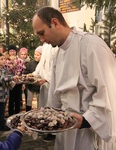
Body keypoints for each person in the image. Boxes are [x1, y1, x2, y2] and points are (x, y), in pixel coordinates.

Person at [32, 6, 116, 150]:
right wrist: (48, 114)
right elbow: (56, 90)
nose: (42, 39)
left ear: (55, 23)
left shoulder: (90, 45)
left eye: (42, 33)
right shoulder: (58, 51)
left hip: (88, 130)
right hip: (66, 126)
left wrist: (85, 120)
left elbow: (107, 90)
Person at [0, 52, 18, 131]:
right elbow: (1, 79)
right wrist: (12, 77)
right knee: (1, 109)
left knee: (2, 108)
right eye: (1, 59)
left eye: (4, 59)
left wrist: (14, 81)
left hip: (5, 93)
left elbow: (7, 79)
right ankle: (1, 126)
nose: (4, 61)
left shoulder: (4, 69)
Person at [24, 46, 42, 111]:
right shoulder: (30, 64)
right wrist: (28, 76)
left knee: (40, 102)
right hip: (30, 86)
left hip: (39, 87)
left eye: (38, 55)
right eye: (35, 54)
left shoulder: (43, 64)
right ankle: (27, 113)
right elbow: (26, 73)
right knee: (29, 101)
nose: (36, 56)